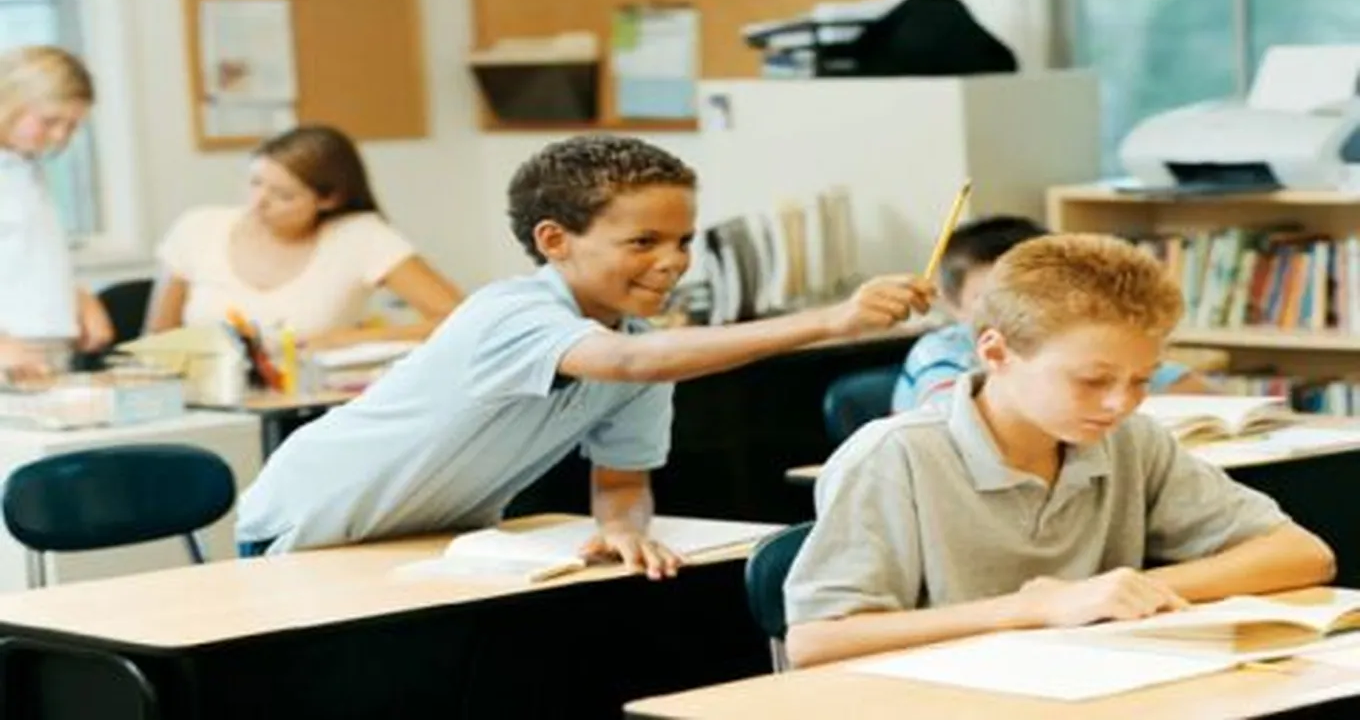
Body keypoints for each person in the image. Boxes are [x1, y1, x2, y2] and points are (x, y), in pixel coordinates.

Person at [235, 135, 936, 575]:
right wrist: (831, 320)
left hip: (427, 540)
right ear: (554, 240)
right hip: (307, 526)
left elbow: (622, 478)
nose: (673, 261)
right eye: (643, 242)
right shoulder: (510, 313)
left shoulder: (644, 348)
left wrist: (622, 530)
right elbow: (627, 363)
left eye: (683, 241)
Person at [783, 233, 1335, 668]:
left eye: (1141, 380)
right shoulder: (893, 456)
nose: (1120, 403)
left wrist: (1118, 593)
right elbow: (816, 640)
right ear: (996, 353)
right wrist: (1031, 609)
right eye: (1092, 380)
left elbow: (1303, 554)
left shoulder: (1131, 440)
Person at [146, 124, 464, 349]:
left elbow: (460, 319)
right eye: (255, 183)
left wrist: (347, 340)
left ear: (329, 200)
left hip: (313, 405)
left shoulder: (361, 237)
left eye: (283, 195)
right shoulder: (197, 228)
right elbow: (158, 339)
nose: (259, 203)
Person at [892, 215, 1216, 412]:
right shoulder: (938, 354)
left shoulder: (1072, 342)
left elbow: (1190, 388)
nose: (1008, 313)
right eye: (987, 300)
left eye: (1031, 295)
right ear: (951, 303)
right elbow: (954, 418)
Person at [0, 45, 114, 366]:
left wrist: (77, 295)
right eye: (50, 121)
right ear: (9, 100)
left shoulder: (26, 167)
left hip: (44, 348)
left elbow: (26, 254)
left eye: (72, 125)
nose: (60, 135)